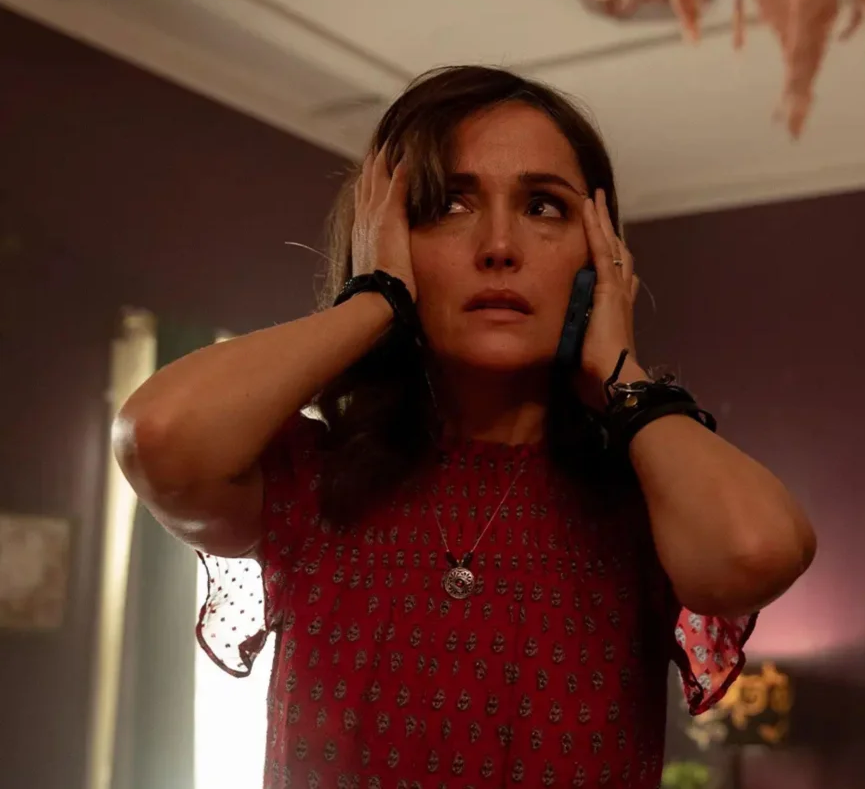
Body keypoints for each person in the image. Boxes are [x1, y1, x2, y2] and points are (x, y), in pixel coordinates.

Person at [114, 65, 816, 788]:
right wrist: (374, 298)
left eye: (543, 206)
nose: (499, 245)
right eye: (448, 204)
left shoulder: (646, 500)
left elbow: (756, 551)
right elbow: (160, 437)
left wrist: (620, 372)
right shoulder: (312, 480)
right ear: (386, 240)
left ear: (599, 258)